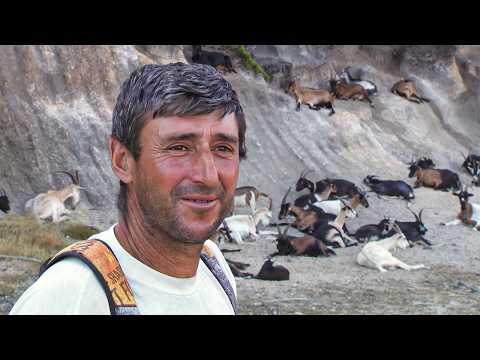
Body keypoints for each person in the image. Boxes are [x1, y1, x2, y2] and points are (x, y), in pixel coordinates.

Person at [10, 62, 246, 315]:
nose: (208, 176)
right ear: (122, 160)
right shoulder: (70, 297)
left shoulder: (213, 266)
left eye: (223, 148)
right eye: (178, 147)